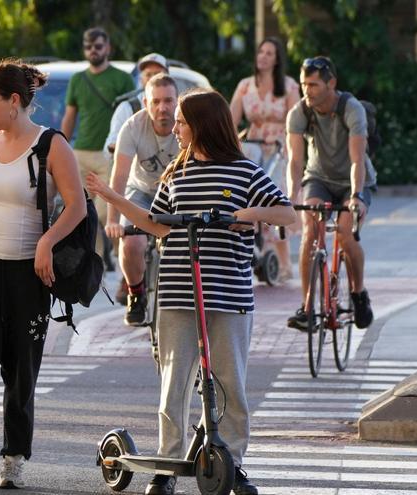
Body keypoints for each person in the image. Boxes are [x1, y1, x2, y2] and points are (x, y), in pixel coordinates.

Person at [86, 89, 296, 495]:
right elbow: (158, 225)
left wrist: (246, 214)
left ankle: (231, 463)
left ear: (201, 125)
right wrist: (114, 198)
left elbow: (285, 211)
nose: (174, 128)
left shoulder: (243, 171)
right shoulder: (176, 174)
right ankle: (167, 465)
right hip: (179, 293)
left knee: (229, 383)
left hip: (230, 295)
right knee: (174, 382)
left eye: (181, 121)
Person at [0, 59, 86, 490]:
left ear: (15, 100)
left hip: (29, 274)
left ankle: (14, 457)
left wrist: (46, 242)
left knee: (20, 369)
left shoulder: (51, 145)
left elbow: (77, 206)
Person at [285, 56, 376, 331]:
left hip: (353, 180)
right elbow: (295, 161)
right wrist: (291, 197)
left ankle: (359, 294)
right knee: (310, 231)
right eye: (303, 84)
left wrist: (357, 197)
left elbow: (357, 159)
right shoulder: (299, 112)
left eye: (313, 85)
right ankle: (307, 306)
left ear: (331, 83)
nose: (307, 91)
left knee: (346, 235)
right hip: (319, 178)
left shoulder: (351, 109)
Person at [103, 74, 179, 326]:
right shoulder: (133, 126)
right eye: (156, 101)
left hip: (177, 192)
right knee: (132, 242)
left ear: (178, 102)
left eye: (169, 100)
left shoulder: (189, 125)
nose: (163, 108)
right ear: (146, 103)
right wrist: (114, 220)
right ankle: (135, 294)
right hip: (142, 192)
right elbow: (120, 175)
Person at [61, 27, 135, 262]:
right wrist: (60, 147)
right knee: (82, 209)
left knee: (105, 211)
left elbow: (132, 114)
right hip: (80, 151)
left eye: (98, 46)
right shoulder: (77, 79)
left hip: (109, 153)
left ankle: (118, 252)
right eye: (88, 46)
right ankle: (96, 260)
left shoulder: (121, 78)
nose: (93, 50)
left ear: (108, 48)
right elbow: (70, 116)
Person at [230, 37, 301, 283]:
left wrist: (292, 149)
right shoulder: (245, 86)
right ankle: (260, 255)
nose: (263, 57)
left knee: (274, 197)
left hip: (281, 147)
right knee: (249, 195)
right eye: (261, 52)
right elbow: (231, 119)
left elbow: (296, 123)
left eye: (269, 53)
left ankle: (283, 262)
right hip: (253, 146)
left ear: (277, 58)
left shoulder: (289, 86)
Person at [104, 52, 170, 157]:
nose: (153, 78)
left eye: (157, 73)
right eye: (148, 74)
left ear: (168, 76)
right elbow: (109, 149)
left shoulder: (179, 107)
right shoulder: (127, 108)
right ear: (141, 79)